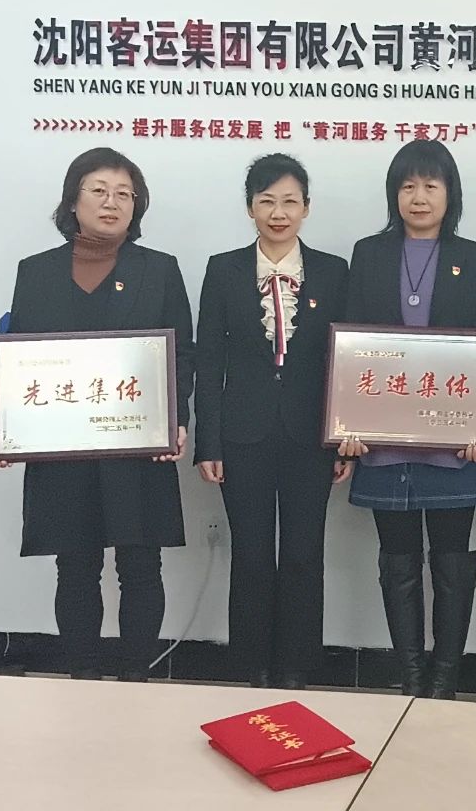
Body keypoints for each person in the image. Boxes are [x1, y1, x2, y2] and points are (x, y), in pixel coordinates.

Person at [0, 147, 194, 681]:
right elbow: (21, 360)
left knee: (140, 566)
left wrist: (176, 420)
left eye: (124, 194)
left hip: (137, 443)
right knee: (75, 566)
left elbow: (182, 355)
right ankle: (82, 679)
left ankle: (137, 678)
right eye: (99, 190)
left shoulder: (160, 270)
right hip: (64, 448)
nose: (112, 202)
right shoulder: (36, 273)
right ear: (72, 200)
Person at [338, 140, 476, 700]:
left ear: (450, 194)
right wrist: (347, 423)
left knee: (452, 559)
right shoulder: (368, 254)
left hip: (453, 444)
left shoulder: (475, 258)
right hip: (383, 443)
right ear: (394, 194)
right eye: (408, 186)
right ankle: (410, 675)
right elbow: (352, 343)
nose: (419, 197)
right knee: (397, 557)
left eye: (431, 185)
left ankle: (444, 679)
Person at [194, 154, 349, 689]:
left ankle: (297, 665)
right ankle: (251, 664)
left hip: (311, 437)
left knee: (305, 553)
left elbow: (344, 359)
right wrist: (209, 443)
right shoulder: (224, 270)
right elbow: (208, 359)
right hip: (242, 435)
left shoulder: (333, 271)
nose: (278, 213)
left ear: (306, 207)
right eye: (267, 202)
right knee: (252, 553)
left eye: (289, 201)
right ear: (250, 209)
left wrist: (342, 439)